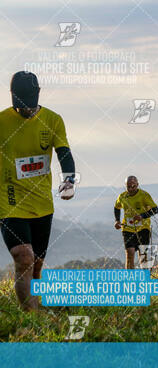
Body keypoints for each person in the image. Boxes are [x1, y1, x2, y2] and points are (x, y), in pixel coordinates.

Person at [0, 71, 76, 311]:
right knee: (24, 257)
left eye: (30, 105)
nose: (26, 111)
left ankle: (36, 306)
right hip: (9, 201)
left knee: (36, 265)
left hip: (42, 203)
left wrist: (69, 179)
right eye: (21, 105)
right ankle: (31, 318)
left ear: (38, 94)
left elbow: (63, 151)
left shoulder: (53, 120)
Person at [114, 176, 158, 269]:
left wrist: (142, 216)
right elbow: (117, 207)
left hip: (143, 228)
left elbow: (155, 209)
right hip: (128, 228)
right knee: (129, 254)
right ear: (125, 186)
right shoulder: (122, 196)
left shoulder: (144, 195)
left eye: (133, 186)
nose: (131, 189)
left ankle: (144, 278)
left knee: (143, 255)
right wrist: (117, 220)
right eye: (128, 187)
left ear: (137, 185)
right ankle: (130, 280)